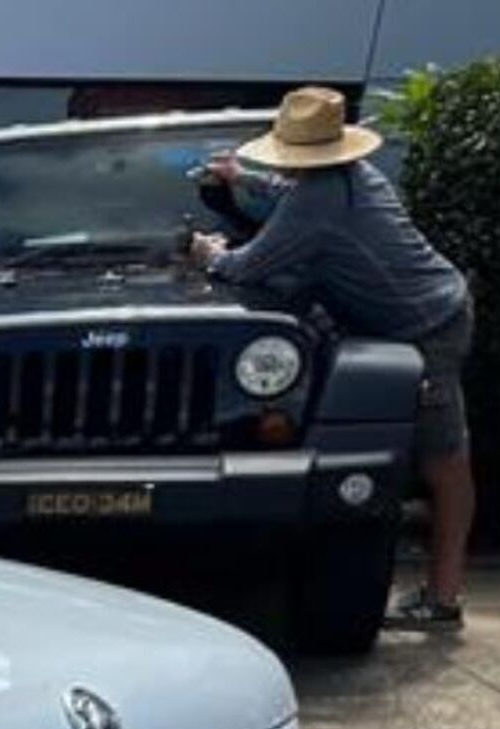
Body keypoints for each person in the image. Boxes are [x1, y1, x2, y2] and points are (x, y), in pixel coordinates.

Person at [189, 86, 475, 633]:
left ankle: (443, 598)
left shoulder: (314, 205)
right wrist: (242, 179)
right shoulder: (356, 176)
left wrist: (209, 253)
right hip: (430, 307)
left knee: (445, 462)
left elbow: (248, 266)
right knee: (435, 459)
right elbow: (288, 191)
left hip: (427, 326)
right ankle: (440, 590)